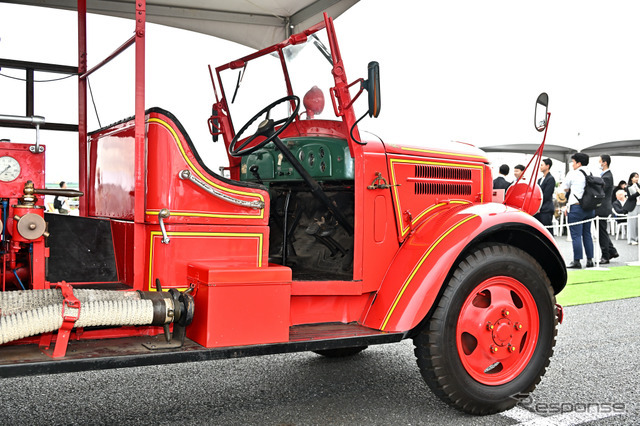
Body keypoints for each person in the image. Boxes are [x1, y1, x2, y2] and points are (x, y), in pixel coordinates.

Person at [562, 153, 595, 269]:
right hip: (589, 207)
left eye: (573, 162)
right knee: (587, 234)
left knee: (576, 235)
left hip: (576, 207)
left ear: (579, 163)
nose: (572, 164)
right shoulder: (591, 173)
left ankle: (577, 261)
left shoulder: (573, 174)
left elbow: (565, 188)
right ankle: (590, 260)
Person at [595, 155, 619, 264]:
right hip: (602, 207)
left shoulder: (607, 177)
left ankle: (605, 255)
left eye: (600, 161)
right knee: (602, 230)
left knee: (602, 232)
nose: (599, 163)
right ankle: (612, 250)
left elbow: (600, 190)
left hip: (603, 207)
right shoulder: (605, 175)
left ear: (604, 163)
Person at [533, 158, 556, 227]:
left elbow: (547, 195)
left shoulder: (550, 179)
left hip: (546, 209)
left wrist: (539, 205)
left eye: (542, 165)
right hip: (539, 209)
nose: (540, 167)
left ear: (547, 166)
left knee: (547, 228)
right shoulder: (540, 180)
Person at [626, 172, 640, 245]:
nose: (637, 178)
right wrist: (638, 193)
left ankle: (637, 238)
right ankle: (631, 239)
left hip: (639, 205)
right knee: (632, 223)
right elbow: (630, 197)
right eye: (635, 177)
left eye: (637, 177)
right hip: (632, 206)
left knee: (638, 223)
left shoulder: (638, 185)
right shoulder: (629, 187)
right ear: (631, 178)